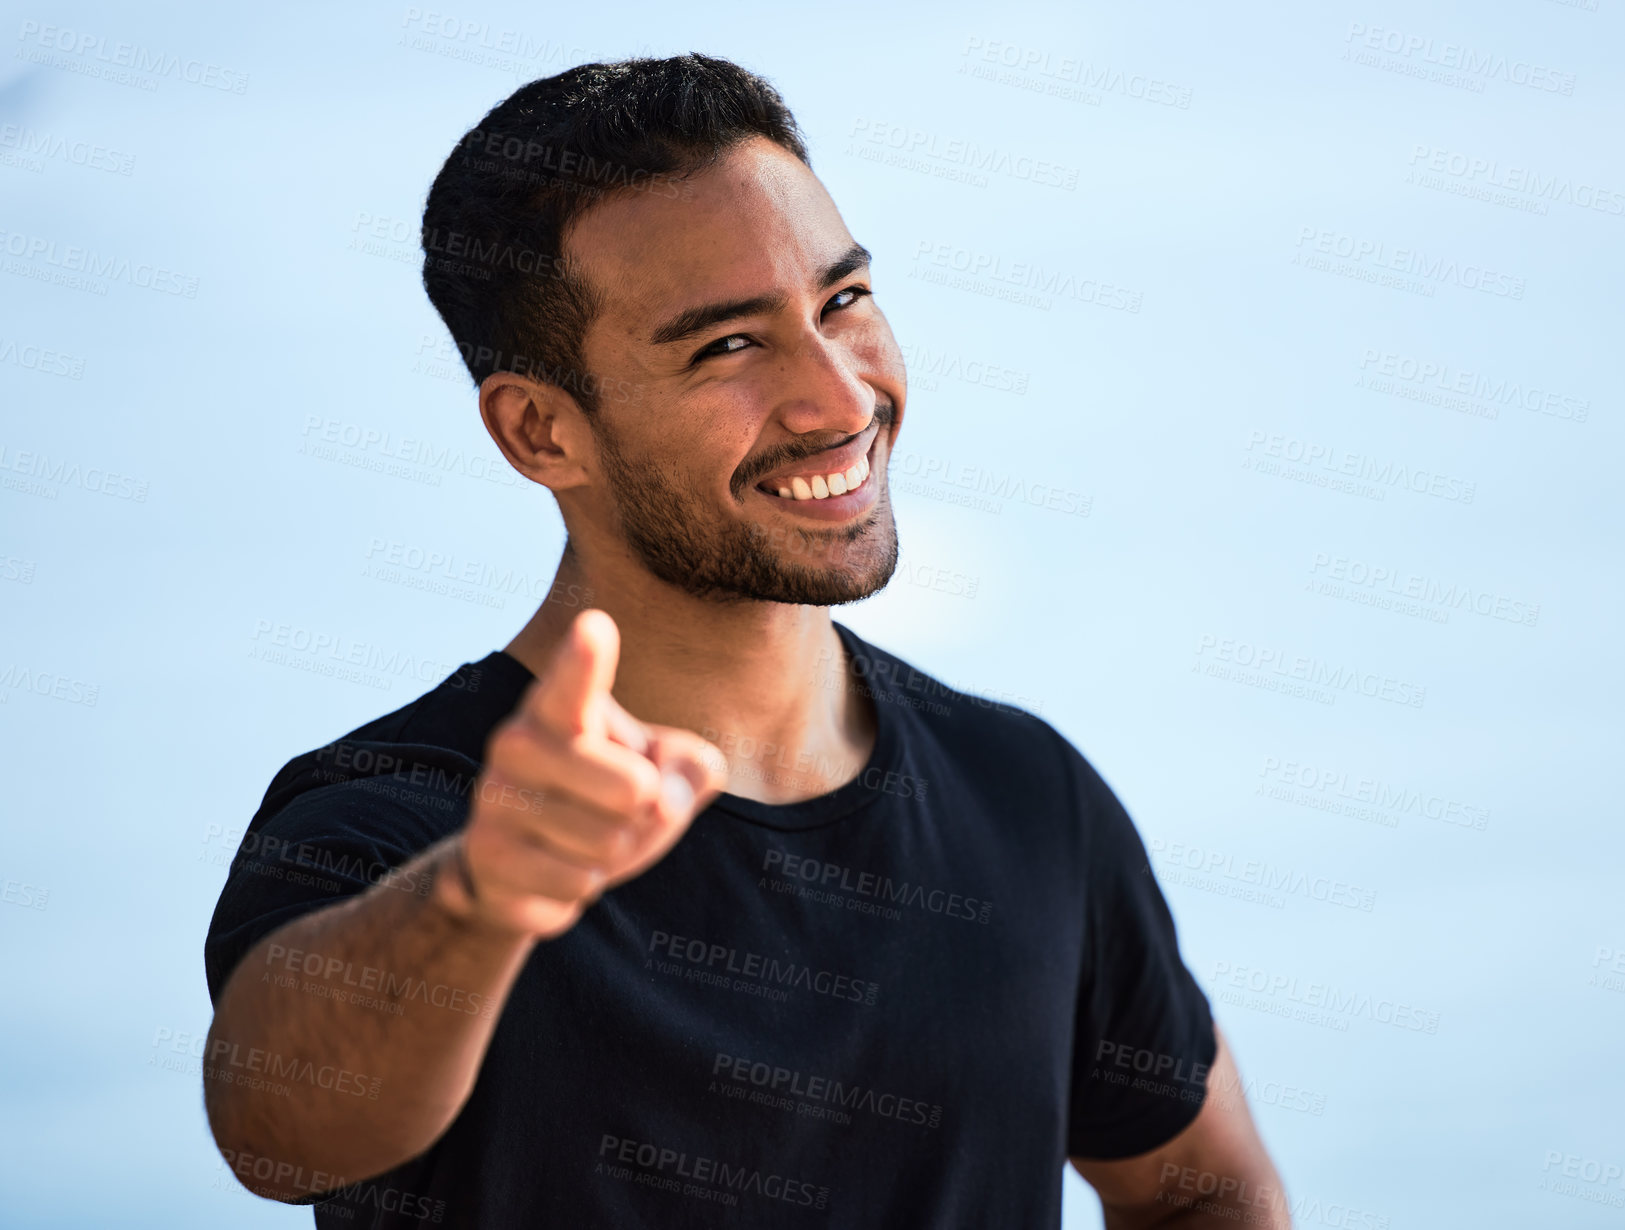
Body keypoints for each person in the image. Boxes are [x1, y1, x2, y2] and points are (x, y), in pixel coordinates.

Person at [202, 53, 1290, 1229]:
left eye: (841, 303)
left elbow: (1203, 1196)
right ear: (538, 430)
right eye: (725, 347)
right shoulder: (396, 821)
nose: (839, 401)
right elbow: (274, 1131)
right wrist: (486, 896)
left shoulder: (1026, 797)